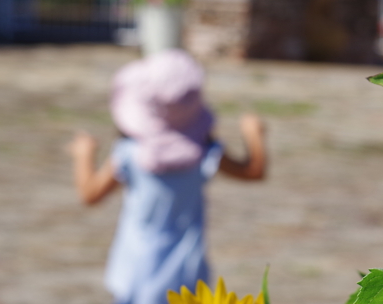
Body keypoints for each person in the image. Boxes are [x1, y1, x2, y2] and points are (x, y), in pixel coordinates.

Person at [68, 49, 267, 304]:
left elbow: (90, 194)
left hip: (138, 267)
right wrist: (254, 134)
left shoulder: (131, 153)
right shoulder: (203, 150)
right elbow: (253, 171)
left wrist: (84, 154)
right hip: (186, 267)